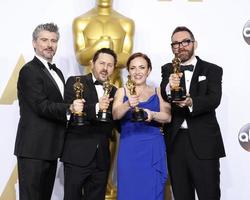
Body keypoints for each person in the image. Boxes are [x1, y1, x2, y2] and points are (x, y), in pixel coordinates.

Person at [14, 23, 83, 200]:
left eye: (53, 40)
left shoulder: (58, 72)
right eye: (44, 40)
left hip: (51, 149)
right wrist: (69, 108)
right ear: (34, 43)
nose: (49, 45)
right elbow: (41, 105)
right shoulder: (29, 71)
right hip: (33, 150)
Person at [160, 26, 226, 200]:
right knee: (181, 194)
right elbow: (164, 93)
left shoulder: (212, 69)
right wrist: (169, 86)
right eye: (175, 43)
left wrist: (191, 102)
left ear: (194, 44)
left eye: (185, 42)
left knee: (209, 194)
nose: (180, 46)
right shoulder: (168, 69)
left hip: (204, 142)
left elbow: (214, 99)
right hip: (175, 142)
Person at [112, 52, 171, 200]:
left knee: (153, 191)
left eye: (142, 67)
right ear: (128, 71)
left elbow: (168, 117)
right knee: (129, 191)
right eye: (133, 68)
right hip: (130, 149)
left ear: (149, 70)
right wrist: (127, 104)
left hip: (153, 148)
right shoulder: (122, 91)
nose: (137, 72)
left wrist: (152, 114)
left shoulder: (158, 91)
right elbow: (115, 114)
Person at [61, 48, 117, 200]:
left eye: (110, 65)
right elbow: (72, 112)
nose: (105, 68)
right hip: (77, 156)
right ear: (92, 63)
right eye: (102, 63)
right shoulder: (75, 82)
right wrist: (98, 107)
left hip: (102, 160)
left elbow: (117, 122)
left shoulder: (115, 92)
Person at [72, 0, 135, 86]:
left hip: (115, 84)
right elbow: (81, 59)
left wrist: (108, 54)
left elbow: (127, 59)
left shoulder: (126, 23)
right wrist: (98, 46)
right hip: (89, 86)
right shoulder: (81, 21)